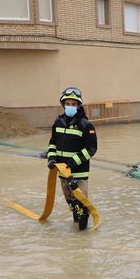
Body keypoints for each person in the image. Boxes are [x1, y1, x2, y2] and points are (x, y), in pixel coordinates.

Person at [44, 87, 97, 230]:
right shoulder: (59, 122)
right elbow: (52, 142)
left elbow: (91, 149)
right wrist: (51, 158)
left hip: (79, 174)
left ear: (79, 105)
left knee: (81, 206)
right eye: (68, 103)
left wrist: (74, 161)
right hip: (63, 173)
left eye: (74, 104)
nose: (70, 106)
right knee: (72, 204)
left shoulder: (86, 125)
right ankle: (76, 234)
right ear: (63, 104)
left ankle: (83, 240)